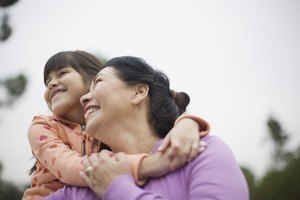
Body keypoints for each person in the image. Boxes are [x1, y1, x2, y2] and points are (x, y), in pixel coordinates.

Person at [44, 56, 249, 200]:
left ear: (139, 91)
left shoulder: (200, 152)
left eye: (98, 82)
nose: (84, 98)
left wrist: (115, 188)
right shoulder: (87, 181)